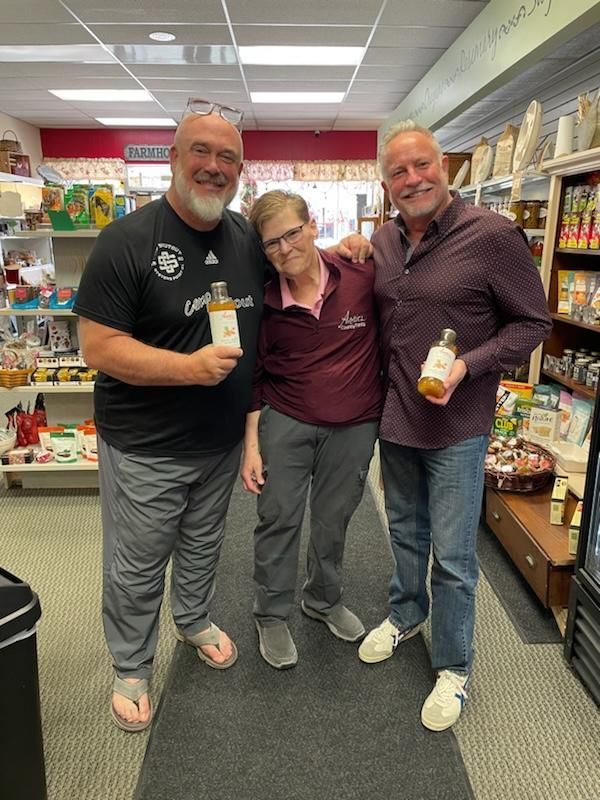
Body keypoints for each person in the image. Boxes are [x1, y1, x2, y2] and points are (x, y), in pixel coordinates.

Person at [74, 100, 370, 732]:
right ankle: (131, 665)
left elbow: (297, 260)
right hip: (145, 443)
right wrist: (189, 368)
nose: (213, 166)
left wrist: (344, 248)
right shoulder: (126, 241)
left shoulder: (243, 238)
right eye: (200, 152)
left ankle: (192, 620)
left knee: (204, 545)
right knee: (138, 561)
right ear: (174, 159)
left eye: (227, 157)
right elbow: (98, 347)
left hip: (220, 442)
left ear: (240, 170)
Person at [357, 121, 552, 731]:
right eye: (398, 171)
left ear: (444, 167)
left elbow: (533, 323)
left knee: (455, 555)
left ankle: (454, 666)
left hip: (458, 425)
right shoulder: (383, 241)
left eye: (422, 165)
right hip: (398, 417)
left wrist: (469, 364)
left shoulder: (491, 235)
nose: (412, 179)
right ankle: (405, 613)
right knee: (405, 532)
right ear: (386, 185)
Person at [241, 190, 381, 669]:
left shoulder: (361, 275)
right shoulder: (263, 300)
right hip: (287, 418)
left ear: (313, 226)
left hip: (355, 423)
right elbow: (253, 374)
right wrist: (251, 445)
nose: (285, 248)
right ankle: (271, 612)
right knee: (278, 516)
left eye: (292, 233)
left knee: (333, 517)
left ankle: (322, 598)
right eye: (272, 242)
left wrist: (361, 241)